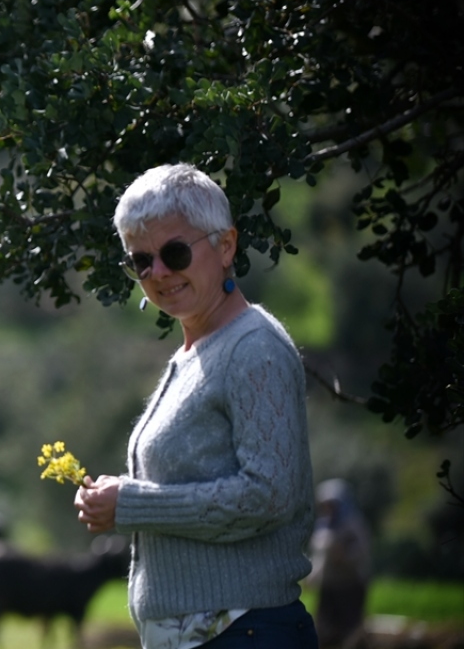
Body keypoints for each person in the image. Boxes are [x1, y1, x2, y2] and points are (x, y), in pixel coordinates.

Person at [73, 163, 318, 649]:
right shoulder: (200, 350)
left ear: (225, 246)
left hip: (245, 633)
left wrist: (135, 505)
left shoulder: (254, 348)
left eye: (175, 252)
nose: (158, 272)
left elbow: (268, 496)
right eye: (141, 261)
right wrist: (126, 495)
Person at [307, 478, 371, 649]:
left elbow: (362, 552)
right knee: (325, 631)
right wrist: (313, 576)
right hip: (329, 587)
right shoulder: (323, 526)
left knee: (350, 633)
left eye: (331, 504)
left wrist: (344, 556)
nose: (328, 508)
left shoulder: (353, 524)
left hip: (350, 586)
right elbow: (320, 556)